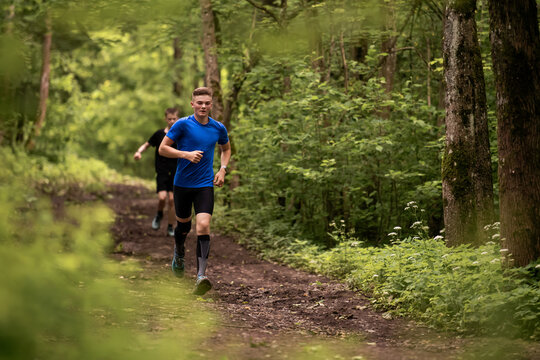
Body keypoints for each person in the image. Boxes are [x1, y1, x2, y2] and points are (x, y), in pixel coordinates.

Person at [159, 87, 231, 295]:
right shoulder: (182, 124)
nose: (203, 106)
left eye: (207, 103)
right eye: (199, 103)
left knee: (203, 224)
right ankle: (179, 252)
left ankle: (201, 276)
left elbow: (226, 149)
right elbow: (163, 148)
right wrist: (185, 154)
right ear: (192, 104)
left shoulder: (218, 128)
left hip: (205, 184)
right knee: (183, 226)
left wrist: (222, 170)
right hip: (182, 184)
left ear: (211, 105)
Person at [134, 108, 179, 237]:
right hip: (162, 171)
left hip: (176, 172)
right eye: (169, 119)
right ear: (165, 119)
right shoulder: (159, 134)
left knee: (172, 200)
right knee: (162, 197)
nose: (171, 121)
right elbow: (147, 144)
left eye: (174, 119)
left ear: (177, 119)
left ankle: (170, 226)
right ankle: (159, 214)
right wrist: (139, 152)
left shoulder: (180, 135)